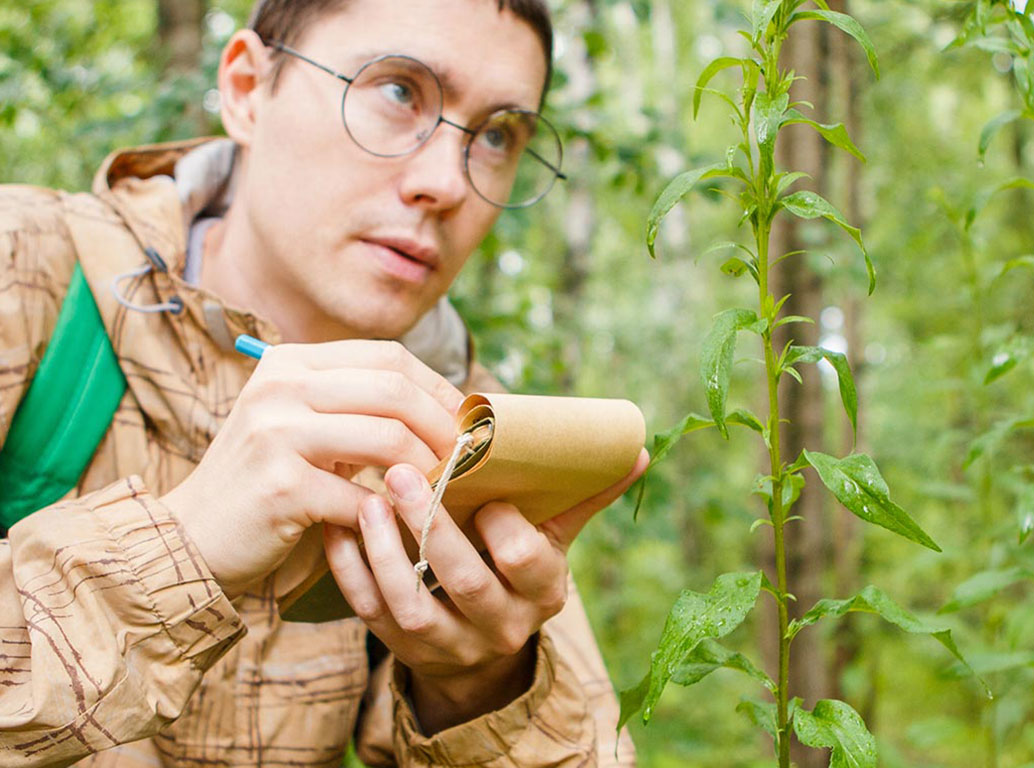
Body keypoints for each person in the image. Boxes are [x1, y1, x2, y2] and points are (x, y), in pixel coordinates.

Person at [0, 0, 645, 764]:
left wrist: (481, 684)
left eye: (498, 135)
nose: (447, 183)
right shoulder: (26, 271)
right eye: (400, 91)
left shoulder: (466, 427)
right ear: (246, 88)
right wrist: (185, 548)